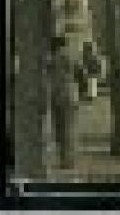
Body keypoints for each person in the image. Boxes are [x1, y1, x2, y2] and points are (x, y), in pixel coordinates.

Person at [47, 36, 81, 171]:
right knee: (69, 129)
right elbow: (80, 74)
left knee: (60, 130)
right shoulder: (72, 57)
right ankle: (69, 160)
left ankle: (64, 160)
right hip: (71, 95)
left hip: (58, 96)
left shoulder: (53, 59)